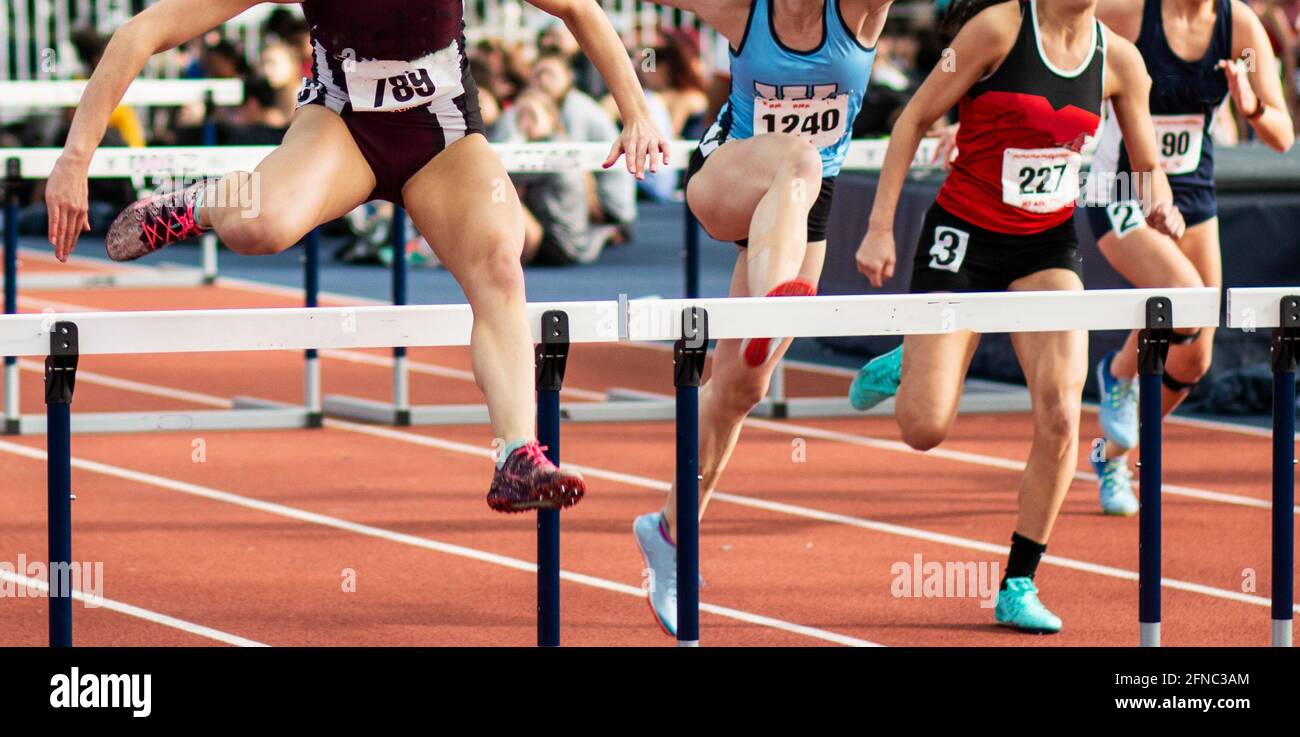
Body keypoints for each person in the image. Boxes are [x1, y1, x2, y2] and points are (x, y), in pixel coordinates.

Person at [43, 0, 669, 514]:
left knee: (501, 266)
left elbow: (577, 8)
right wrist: (75, 159)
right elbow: (143, 30)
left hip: (442, 134)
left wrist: (637, 112)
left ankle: (515, 454)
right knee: (262, 226)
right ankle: (208, 200)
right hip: (342, 127)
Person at [848, 0, 1186, 633]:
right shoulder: (999, 28)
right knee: (924, 428)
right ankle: (913, 361)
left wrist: (1160, 203)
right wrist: (877, 228)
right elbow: (913, 118)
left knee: (1061, 412)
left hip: (1046, 245)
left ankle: (1019, 582)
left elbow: (1146, 164)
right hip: (964, 238)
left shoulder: (1120, 59)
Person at [631, 0, 894, 637]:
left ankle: (669, 533)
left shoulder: (859, 12)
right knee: (799, 157)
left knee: (740, 391)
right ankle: (775, 303)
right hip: (732, 176)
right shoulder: (742, 12)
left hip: (802, 208)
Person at [1083, 0, 1293, 514]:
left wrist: (1250, 106)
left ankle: (1112, 454)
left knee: (1195, 357)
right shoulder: (1129, 15)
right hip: (1124, 186)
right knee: (1185, 295)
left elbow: (1283, 137)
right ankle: (1116, 372)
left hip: (1193, 195)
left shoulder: (1237, 24)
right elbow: (1053, 49)